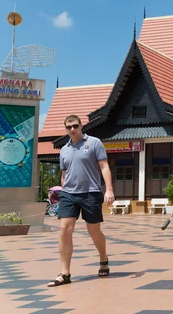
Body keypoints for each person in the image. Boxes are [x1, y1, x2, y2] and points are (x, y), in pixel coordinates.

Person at [48, 115, 115, 287]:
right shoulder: (64, 149)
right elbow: (64, 174)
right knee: (64, 229)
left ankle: (103, 258)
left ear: (81, 126)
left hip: (90, 192)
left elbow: (104, 166)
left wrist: (109, 189)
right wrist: (62, 192)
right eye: (68, 127)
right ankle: (65, 272)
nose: (72, 129)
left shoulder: (94, 143)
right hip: (69, 194)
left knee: (93, 231)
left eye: (75, 126)